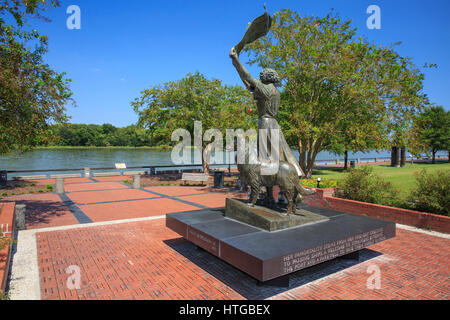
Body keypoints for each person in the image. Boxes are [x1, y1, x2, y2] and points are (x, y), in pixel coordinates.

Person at [229, 46, 305, 177]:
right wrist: (236, 66)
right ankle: (281, 181)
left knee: (265, 155)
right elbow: (249, 84)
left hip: (266, 123)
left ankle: (271, 183)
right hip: (273, 123)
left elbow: (248, 76)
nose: (260, 75)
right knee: (277, 152)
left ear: (268, 76)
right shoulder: (273, 91)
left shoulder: (266, 89)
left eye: (262, 74)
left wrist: (236, 60)